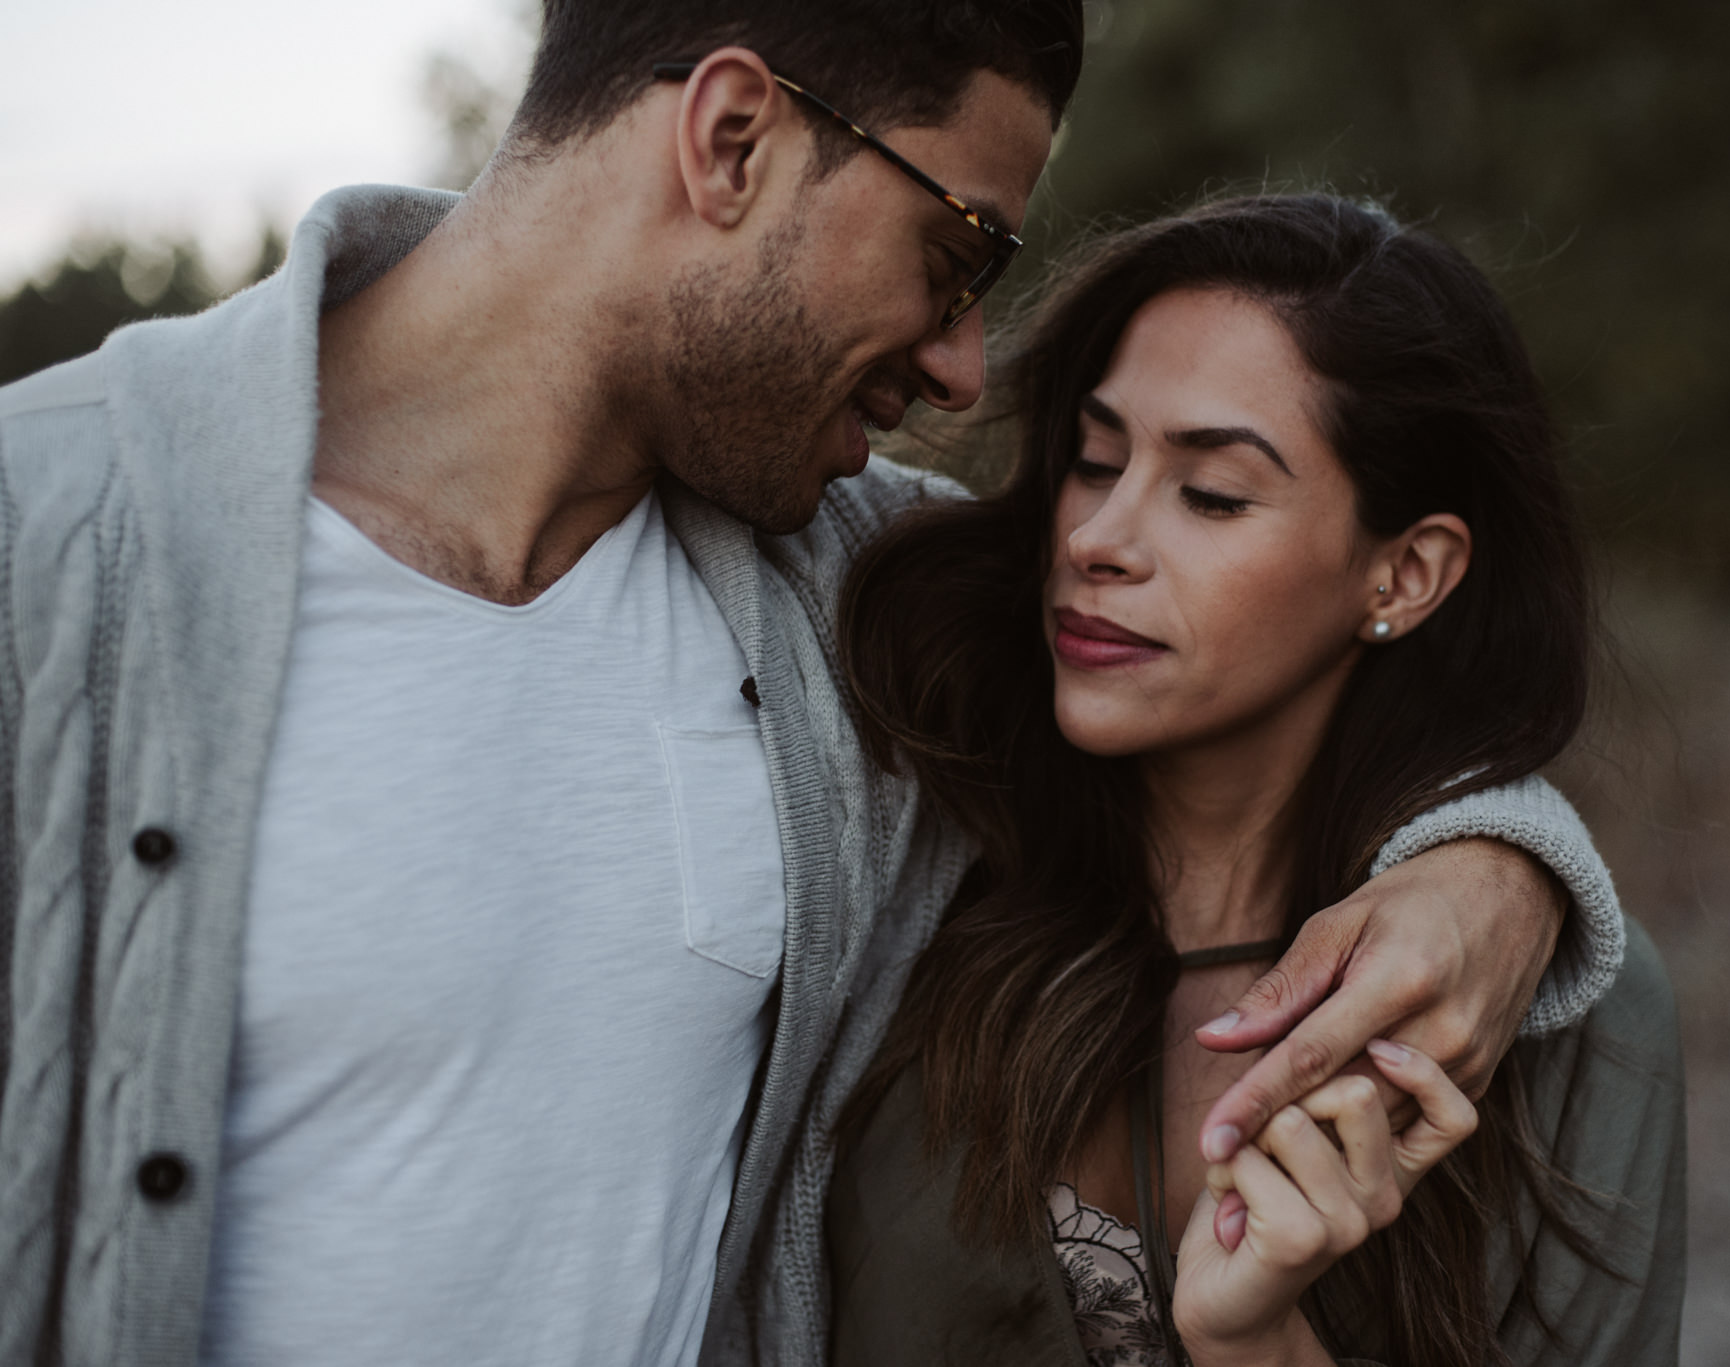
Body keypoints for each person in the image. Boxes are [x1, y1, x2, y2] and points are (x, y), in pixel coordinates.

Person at [0, 6, 1624, 1366]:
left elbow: (1282, 687)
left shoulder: (858, 597)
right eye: (957, 247)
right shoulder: (50, 551)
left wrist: (1488, 875)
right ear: (729, 140)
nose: (965, 367)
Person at [826, 196, 1685, 1366]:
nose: (1096, 538)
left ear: (1406, 572)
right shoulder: (908, 862)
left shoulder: (1570, 1022)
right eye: (1093, 460)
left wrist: (1257, 1341)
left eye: (1212, 493)